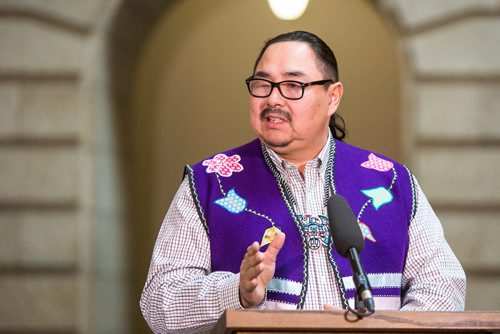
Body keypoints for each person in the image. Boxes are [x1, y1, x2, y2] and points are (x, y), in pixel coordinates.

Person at [140, 31, 466, 333]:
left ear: (333, 97)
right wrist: (236, 290)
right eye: (262, 84)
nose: (273, 100)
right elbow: (159, 302)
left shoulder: (390, 180)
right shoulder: (210, 181)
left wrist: (386, 329)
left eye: (293, 86)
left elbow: (442, 284)